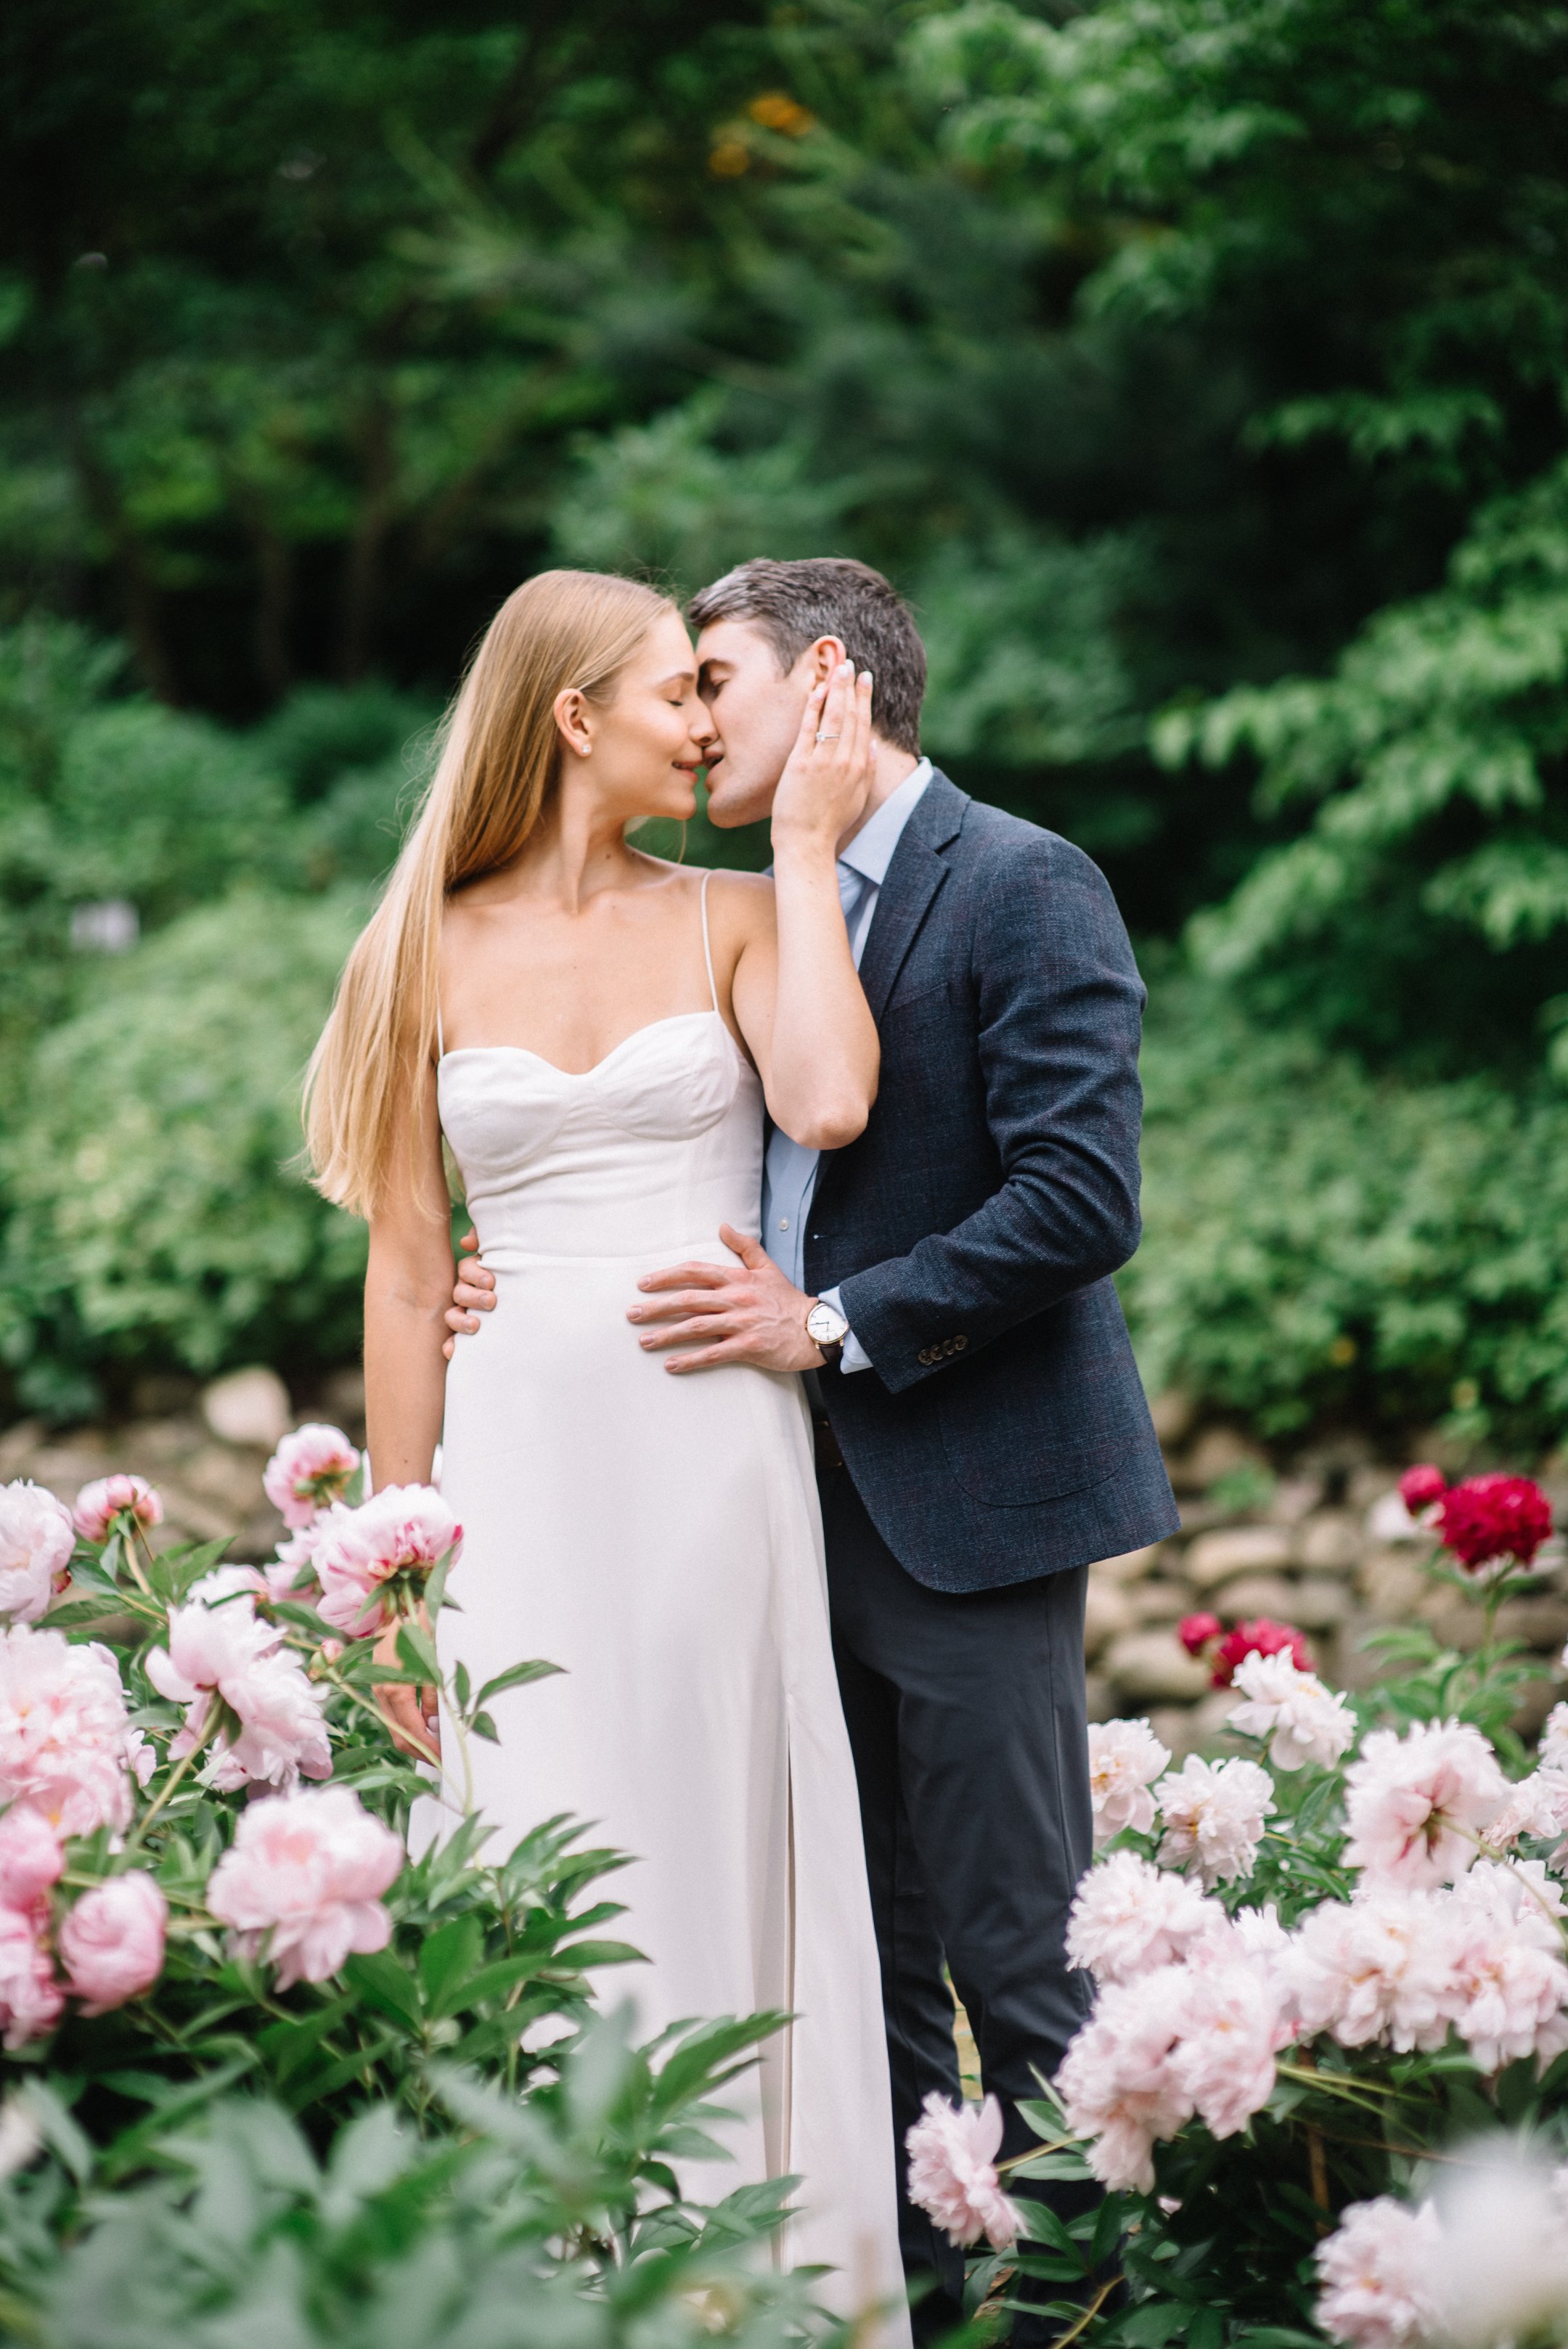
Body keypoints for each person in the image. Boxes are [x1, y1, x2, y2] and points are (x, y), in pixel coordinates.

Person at [447, 557, 1180, 2340]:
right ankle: (903, 2308)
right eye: (674, 690)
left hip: (970, 1493)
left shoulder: (1016, 878)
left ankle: (1129, 2302)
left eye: (719, 681)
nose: (697, 724)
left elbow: (1082, 1198)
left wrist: (833, 1324)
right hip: (760, 1507)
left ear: (829, 685)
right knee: (846, 1962)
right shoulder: (730, 901)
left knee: (1021, 1949)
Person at [304, 568, 908, 2331]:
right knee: (541, 1836)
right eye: (677, 696)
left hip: (712, 1453)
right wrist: (397, 1569)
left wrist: (800, 855)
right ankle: (555, 2283)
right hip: (516, 1465)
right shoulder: (419, 939)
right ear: (575, 717)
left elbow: (828, 1102)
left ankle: (766, 2281)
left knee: (712, 1821)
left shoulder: (729, 912)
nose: (710, 726)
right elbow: (411, 1272)